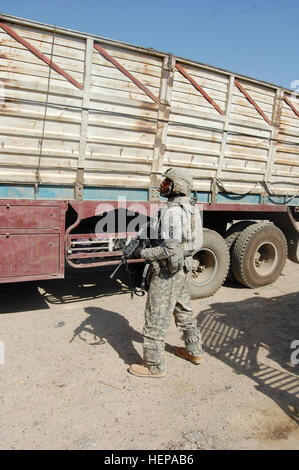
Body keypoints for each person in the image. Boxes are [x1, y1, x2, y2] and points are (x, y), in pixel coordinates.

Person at [129, 168, 204, 378]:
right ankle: (194, 351)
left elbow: (169, 249)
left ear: (177, 186)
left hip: (167, 272)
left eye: (166, 182)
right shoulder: (189, 207)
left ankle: (153, 366)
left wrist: (143, 253)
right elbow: (192, 243)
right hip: (183, 269)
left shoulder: (172, 211)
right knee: (183, 310)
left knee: (156, 317)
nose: (162, 185)